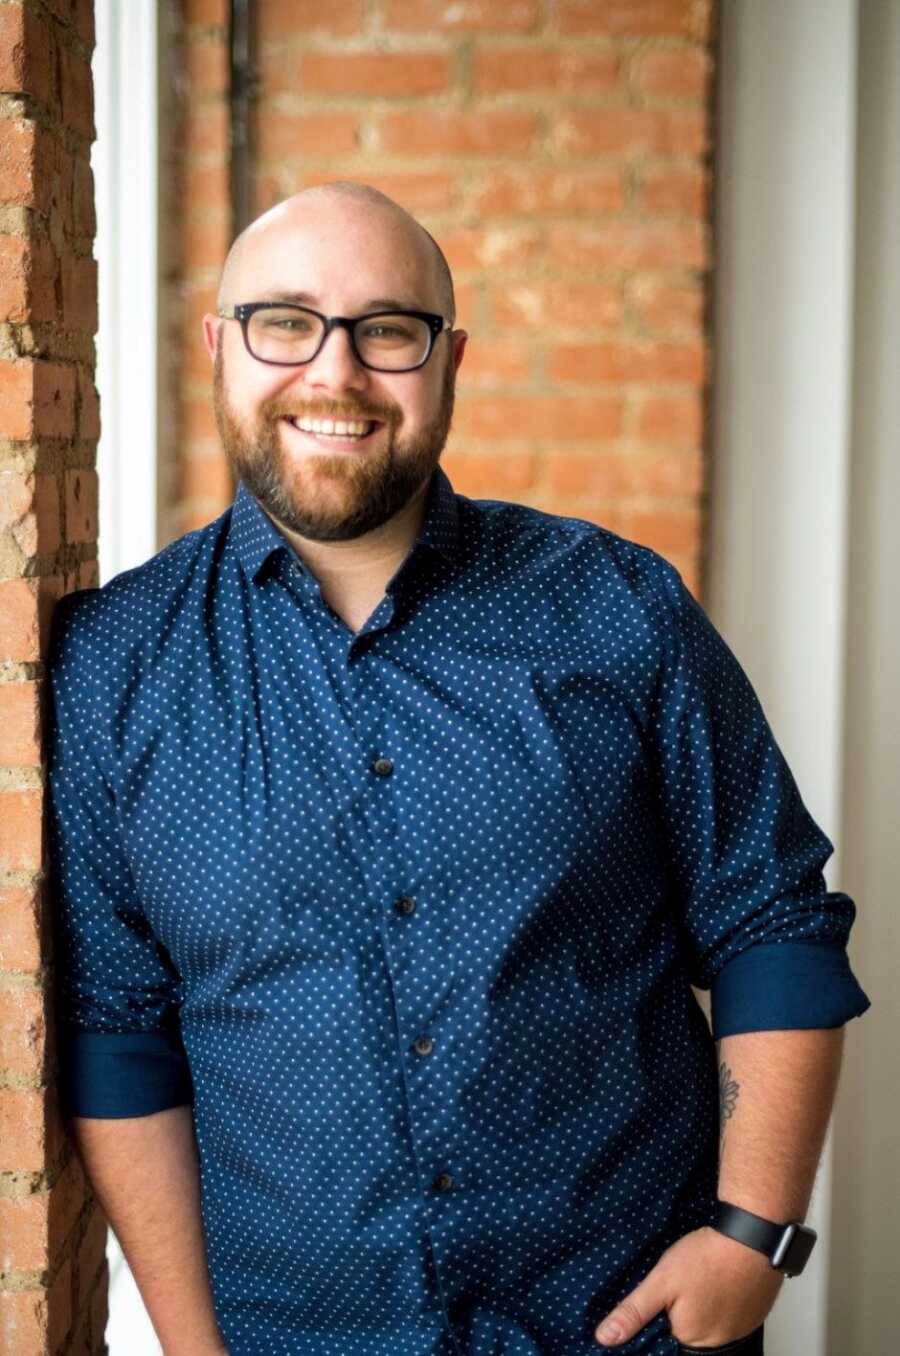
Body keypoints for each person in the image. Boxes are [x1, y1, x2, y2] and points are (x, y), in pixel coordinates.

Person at [46, 182, 870, 1356]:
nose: (335, 374)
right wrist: (194, 1347)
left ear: (449, 359)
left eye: (388, 330)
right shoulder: (113, 666)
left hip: (624, 1328)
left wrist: (755, 1235)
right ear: (220, 346)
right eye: (286, 322)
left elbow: (774, 918)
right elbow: (120, 1031)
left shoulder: (616, 608)